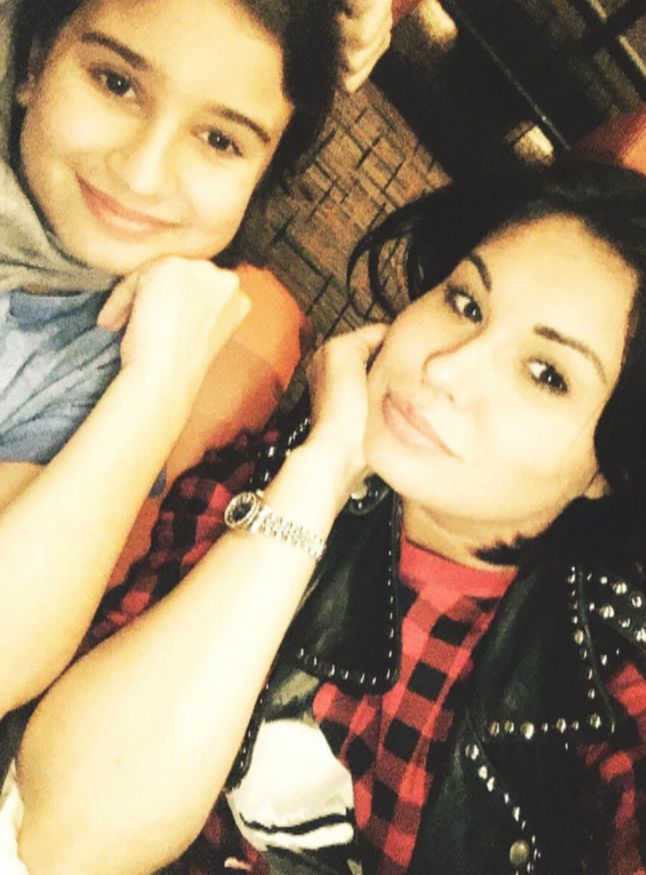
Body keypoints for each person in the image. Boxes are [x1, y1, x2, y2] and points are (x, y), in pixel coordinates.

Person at [13, 162, 646, 874]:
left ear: (612, 468)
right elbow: (60, 834)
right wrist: (320, 472)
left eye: (546, 374)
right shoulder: (267, 475)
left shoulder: (617, 684)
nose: (446, 369)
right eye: (465, 303)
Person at [0, 0, 340, 724]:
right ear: (32, 63)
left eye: (219, 140)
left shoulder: (98, 356)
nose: (143, 173)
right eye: (116, 83)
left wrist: (157, 387)